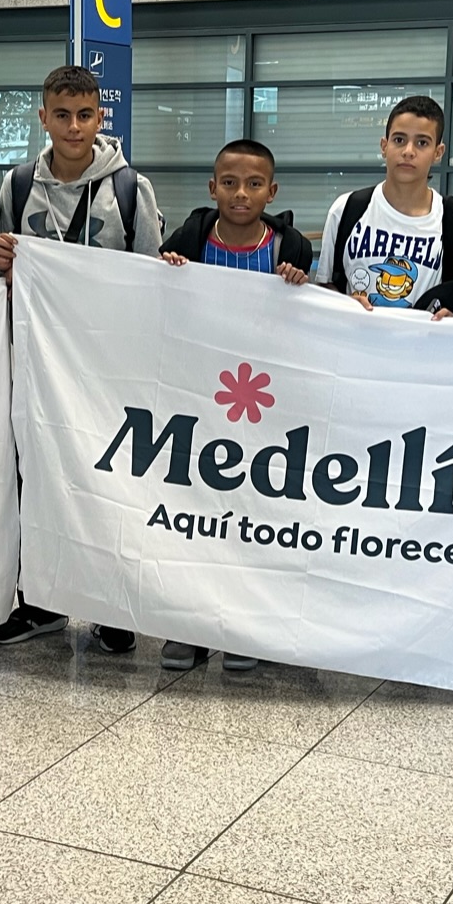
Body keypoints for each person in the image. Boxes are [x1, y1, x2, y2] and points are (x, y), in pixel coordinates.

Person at [0, 63, 165, 652]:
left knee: (107, 478)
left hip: (107, 363)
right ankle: (40, 601)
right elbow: (2, 268)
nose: (73, 126)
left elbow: (149, 276)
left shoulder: (130, 188)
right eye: (61, 115)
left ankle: (109, 602)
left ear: (99, 117)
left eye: (84, 115)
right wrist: (1, 260)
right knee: (38, 477)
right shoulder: (17, 185)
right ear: (43, 117)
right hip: (39, 359)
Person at [156, 138, 313, 674]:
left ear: (272, 191)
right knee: (193, 516)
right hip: (198, 401)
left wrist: (299, 286)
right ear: (212, 187)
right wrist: (167, 271)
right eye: (229, 183)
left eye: (253, 184)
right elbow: (157, 303)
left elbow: (304, 322)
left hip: (263, 409)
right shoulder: (188, 241)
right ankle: (188, 625)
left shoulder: (289, 248)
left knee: (252, 517)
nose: (240, 194)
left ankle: (243, 625)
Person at [314, 95, 453, 311]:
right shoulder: (346, 209)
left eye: (422, 143)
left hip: (423, 334)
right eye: (399, 140)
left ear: (438, 153)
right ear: (384, 146)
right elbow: (324, 288)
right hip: (354, 333)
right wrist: (345, 303)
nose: (408, 151)